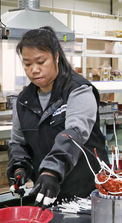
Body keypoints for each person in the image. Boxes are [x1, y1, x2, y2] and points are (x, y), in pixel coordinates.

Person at [7, 26, 109, 208]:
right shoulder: (23, 101)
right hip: (48, 191)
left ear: (56, 57)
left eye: (40, 62)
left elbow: (74, 134)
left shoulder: (77, 90)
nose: (34, 70)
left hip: (88, 192)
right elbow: (19, 143)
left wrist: (52, 171)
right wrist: (19, 168)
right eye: (28, 64)